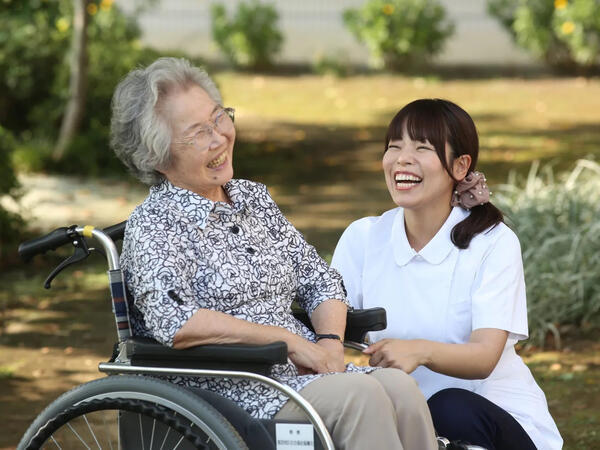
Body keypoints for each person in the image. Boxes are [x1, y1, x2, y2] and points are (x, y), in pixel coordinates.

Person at [110, 57, 438, 450]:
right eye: (197, 133)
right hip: (235, 396)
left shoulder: (253, 198)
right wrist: (288, 340)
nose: (219, 139)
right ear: (158, 156)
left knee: (400, 389)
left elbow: (320, 278)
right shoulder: (155, 224)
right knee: (360, 397)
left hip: (302, 377)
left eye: (219, 119)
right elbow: (176, 321)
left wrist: (330, 342)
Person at [331, 99, 563, 450]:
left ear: (460, 165)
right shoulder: (362, 238)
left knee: (448, 406)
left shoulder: (493, 243)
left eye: (422, 147)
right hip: (402, 420)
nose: (402, 158)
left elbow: (485, 356)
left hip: (493, 421)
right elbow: (327, 325)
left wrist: (420, 351)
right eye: (394, 146)